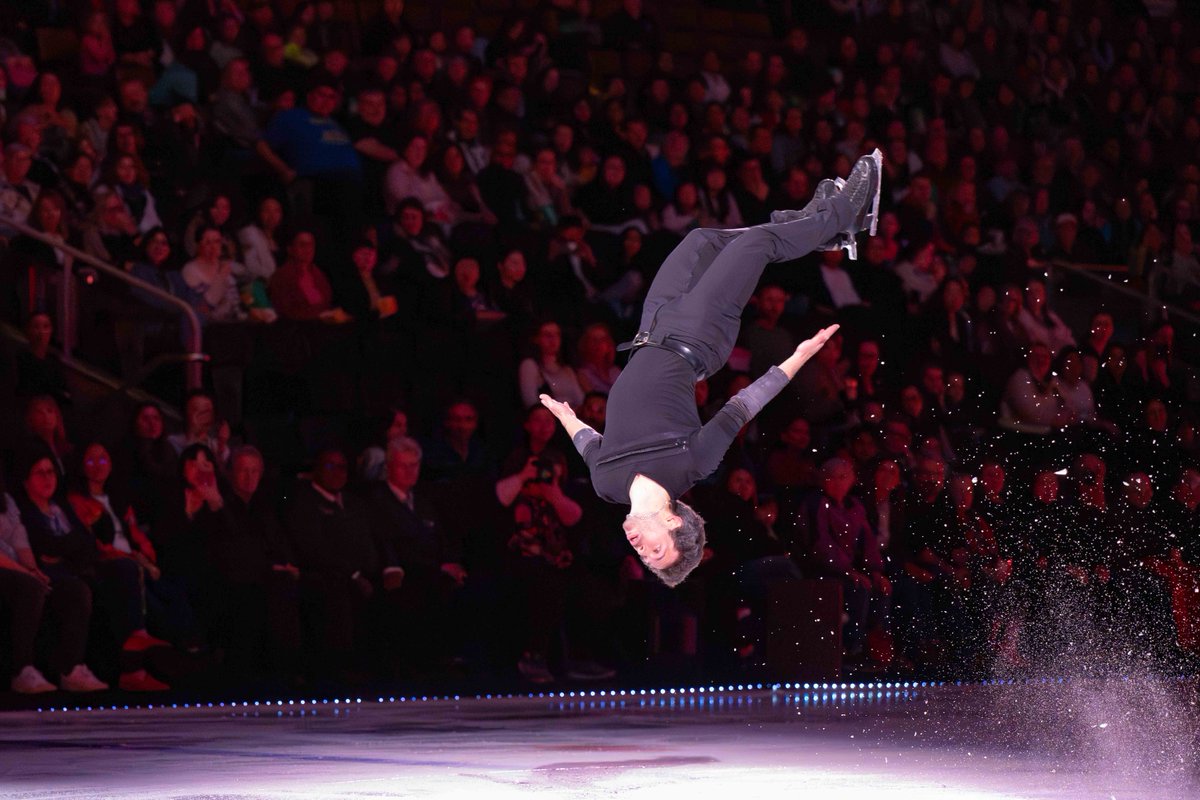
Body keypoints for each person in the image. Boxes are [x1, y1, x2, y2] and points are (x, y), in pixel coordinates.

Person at [540, 150, 883, 587]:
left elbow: (589, 443)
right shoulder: (692, 465)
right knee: (757, 246)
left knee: (702, 239)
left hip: (652, 327)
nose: (643, 550)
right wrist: (799, 356)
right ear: (675, 525)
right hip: (698, 339)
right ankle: (842, 215)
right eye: (658, 550)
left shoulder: (605, 486)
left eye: (647, 559)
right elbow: (743, 405)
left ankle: (812, 226)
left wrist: (564, 416)